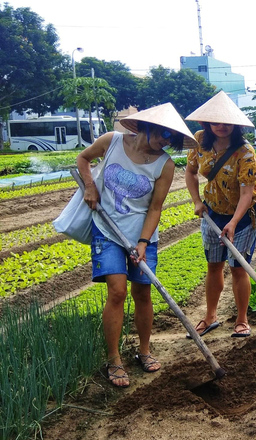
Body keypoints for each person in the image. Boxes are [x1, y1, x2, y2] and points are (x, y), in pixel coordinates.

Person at [76, 103, 197, 388]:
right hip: (107, 230)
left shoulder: (165, 165)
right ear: (147, 126)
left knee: (142, 292)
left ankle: (144, 350)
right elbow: (83, 159)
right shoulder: (112, 141)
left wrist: (143, 242)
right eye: (164, 134)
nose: (165, 141)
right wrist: (90, 186)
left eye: (171, 139)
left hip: (142, 235)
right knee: (117, 292)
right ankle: (114, 358)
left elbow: (155, 208)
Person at [185, 91, 256, 339]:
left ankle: (242, 319)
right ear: (206, 123)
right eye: (215, 122)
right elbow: (190, 172)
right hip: (212, 211)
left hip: (243, 216)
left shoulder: (246, 152)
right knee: (213, 266)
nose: (221, 126)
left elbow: (246, 193)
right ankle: (210, 317)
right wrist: (197, 201)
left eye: (226, 122)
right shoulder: (199, 140)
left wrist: (233, 222)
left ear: (235, 124)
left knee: (238, 268)